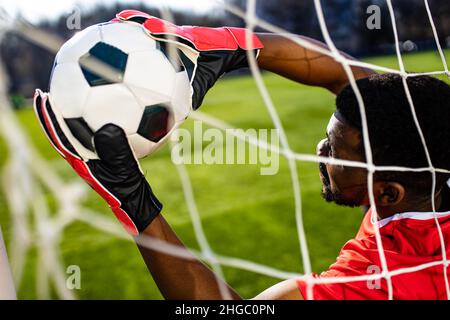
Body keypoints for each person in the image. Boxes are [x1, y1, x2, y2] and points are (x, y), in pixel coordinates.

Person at [34, 10, 450, 300]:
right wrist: (227, 47)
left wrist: (132, 201)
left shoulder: (383, 283)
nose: (320, 152)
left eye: (335, 152)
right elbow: (340, 74)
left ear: (389, 193)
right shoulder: (430, 142)